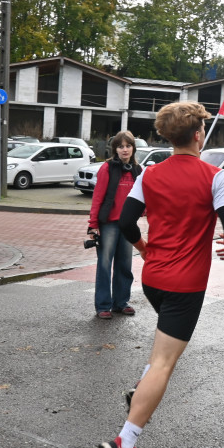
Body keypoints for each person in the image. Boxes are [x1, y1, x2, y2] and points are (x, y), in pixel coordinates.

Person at [97, 102, 224, 448]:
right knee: (165, 363)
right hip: (186, 284)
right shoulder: (216, 177)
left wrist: (145, 248)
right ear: (198, 135)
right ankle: (123, 445)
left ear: (168, 136)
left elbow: (127, 221)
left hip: (154, 278)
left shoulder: (149, 175)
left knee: (161, 355)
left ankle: (140, 390)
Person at [87, 131, 142, 319]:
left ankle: (121, 302)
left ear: (133, 148)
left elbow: (143, 198)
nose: (125, 149)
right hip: (108, 224)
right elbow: (98, 197)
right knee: (104, 264)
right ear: (115, 149)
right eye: (121, 146)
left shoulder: (137, 169)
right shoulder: (107, 168)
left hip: (128, 224)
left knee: (125, 264)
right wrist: (93, 225)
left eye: (128, 146)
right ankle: (103, 305)